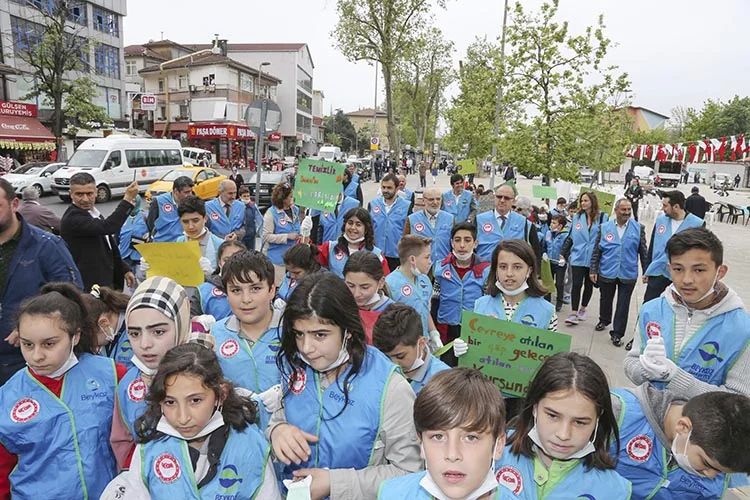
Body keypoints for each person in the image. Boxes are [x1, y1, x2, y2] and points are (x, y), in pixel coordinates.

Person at [267, 272, 421, 499]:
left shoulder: (390, 387)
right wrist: (277, 431)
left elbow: (409, 473)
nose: (306, 348)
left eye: (320, 335)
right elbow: (279, 418)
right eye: (299, 334)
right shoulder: (296, 366)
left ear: (347, 331)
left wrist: (335, 483)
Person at [104, 343, 280, 499]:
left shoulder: (250, 444)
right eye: (170, 402)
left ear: (221, 394)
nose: (183, 418)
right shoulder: (149, 449)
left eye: (195, 400)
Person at [0, 283, 126, 498]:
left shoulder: (112, 375)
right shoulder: (7, 396)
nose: (37, 356)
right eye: (27, 344)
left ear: (75, 336)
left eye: (49, 344)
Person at [624, 227, 750, 399]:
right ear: (669, 269)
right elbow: (631, 361)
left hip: (702, 417)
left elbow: (739, 400)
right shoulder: (651, 310)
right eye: (678, 269)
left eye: (699, 270)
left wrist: (675, 377)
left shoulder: (743, 330)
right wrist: (645, 369)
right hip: (649, 412)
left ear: (720, 272)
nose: (687, 279)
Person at [494, 352, 632, 499]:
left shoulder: (615, 491)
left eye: (580, 422)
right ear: (534, 407)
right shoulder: (491, 451)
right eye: (553, 416)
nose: (563, 434)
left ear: (597, 419)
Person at [378, 368, 511, 500]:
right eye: (438, 437)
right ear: (421, 443)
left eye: (471, 438)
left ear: (498, 445)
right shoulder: (392, 494)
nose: (452, 455)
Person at [0, 178, 82, 385]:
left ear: (14, 204)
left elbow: (71, 295)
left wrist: (28, 328)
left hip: (28, 360)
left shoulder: (47, 246)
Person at [611, 386, 750, 500]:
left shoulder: (725, 457)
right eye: (706, 463)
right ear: (683, 427)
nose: (710, 475)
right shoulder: (617, 414)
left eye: (720, 472)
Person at [110, 276, 191, 468]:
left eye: (158, 332)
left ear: (181, 326)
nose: (145, 344)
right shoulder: (128, 385)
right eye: (135, 334)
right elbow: (123, 442)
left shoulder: (205, 373)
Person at [210, 250, 282, 431]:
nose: (246, 299)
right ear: (226, 293)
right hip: (236, 433)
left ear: (272, 290)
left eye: (255, 288)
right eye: (236, 290)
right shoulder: (215, 334)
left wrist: (287, 391)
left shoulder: (293, 330)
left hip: (288, 434)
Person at [60, 172, 138, 292]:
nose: (85, 199)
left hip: (106, 283)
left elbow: (109, 247)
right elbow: (109, 227)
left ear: (96, 192)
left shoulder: (93, 213)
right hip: (90, 287)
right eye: (79, 194)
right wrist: (127, 200)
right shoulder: (73, 218)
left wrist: (124, 269)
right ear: (71, 194)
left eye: (89, 194)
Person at [589, 198, 649, 347]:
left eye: (629, 210)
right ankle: (604, 319)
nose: (626, 213)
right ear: (616, 210)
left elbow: (643, 252)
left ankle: (617, 333)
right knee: (605, 299)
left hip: (628, 273)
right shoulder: (604, 228)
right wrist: (593, 269)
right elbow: (597, 251)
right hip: (607, 271)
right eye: (623, 210)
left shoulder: (638, 228)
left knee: (623, 305)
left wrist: (646, 271)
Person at [433, 222, 491, 367]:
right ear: (452, 243)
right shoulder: (440, 267)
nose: (462, 245)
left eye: (467, 240)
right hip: (446, 327)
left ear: (475, 243)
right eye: (457, 240)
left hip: (473, 328)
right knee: (446, 368)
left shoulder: (485, 270)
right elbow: (435, 300)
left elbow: (488, 303)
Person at [473, 239, 557, 331]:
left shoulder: (547, 311)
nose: (509, 273)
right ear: (495, 270)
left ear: (529, 271)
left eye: (517, 267)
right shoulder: (481, 305)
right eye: (503, 267)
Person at [373, 302, 450, 395]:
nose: (393, 364)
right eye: (386, 357)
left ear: (421, 343)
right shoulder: (377, 369)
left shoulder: (444, 381)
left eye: (400, 356)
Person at [643, 191, 705, 303]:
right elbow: (652, 247)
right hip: (658, 271)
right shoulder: (661, 221)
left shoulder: (697, 224)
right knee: (649, 304)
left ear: (676, 206)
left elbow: (701, 254)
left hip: (681, 275)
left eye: (665, 206)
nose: (663, 209)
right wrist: (647, 269)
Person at [385, 235, 442, 350]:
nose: (430, 262)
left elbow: (425, 309)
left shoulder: (425, 280)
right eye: (427, 257)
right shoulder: (390, 284)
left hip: (423, 343)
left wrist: (434, 333)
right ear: (412, 259)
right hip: (403, 346)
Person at [561, 190, 608, 327]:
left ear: (592, 202)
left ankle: (583, 308)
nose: (583, 203)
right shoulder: (577, 217)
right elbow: (571, 236)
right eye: (582, 201)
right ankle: (574, 312)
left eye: (586, 200)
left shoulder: (602, 217)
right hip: (578, 256)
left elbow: (605, 237)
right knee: (576, 284)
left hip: (593, 257)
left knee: (589, 284)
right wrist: (563, 252)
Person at [475, 183, 541, 264]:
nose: (502, 200)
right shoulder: (479, 220)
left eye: (506, 198)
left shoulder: (525, 224)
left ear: (513, 201)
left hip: (513, 269)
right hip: (484, 269)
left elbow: (536, 254)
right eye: (499, 197)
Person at [317, 207, 389, 278]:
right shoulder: (329, 247)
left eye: (358, 224)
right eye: (350, 223)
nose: (353, 227)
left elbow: (385, 280)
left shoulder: (377, 255)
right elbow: (311, 261)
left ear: (366, 229)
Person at [167, 196, 224, 280]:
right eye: (185, 221)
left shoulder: (219, 245)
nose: (190, 226)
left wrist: (213, 274)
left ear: (205, 218)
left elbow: (227, 278)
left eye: (195, 220)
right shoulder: (179, 242)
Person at [344, 250, 394, 343]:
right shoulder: (340, 306)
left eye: (365, 287)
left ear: (381, 282)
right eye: (351, 286)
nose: (357, 294)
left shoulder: (394, 314)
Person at [190, 240, 246, 320]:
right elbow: (189, 318)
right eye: (226, 260)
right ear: (219, 262)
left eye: (238, 260)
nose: (232, 264)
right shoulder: (203, 291)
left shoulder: (254, 287)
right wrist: (198, 320)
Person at [81, 284, 133, 369]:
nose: (93, 346)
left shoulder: (133, 335)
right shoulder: (112, 332)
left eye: (92, 341)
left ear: (103, 323)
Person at [369, 173, 410, 272]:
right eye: (383, 187)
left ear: (397, 188)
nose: (385, 190)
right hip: (376, 253)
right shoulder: (373, 204)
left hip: (396, 255)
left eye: (389, 188)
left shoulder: (406, 206)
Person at [404, 186, 455, 264]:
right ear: (423, 201)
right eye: (431, 199)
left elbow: (454, 244)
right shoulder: (412, 219)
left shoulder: (450, 218)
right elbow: (405, 245)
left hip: (444, 265)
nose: (435, 202)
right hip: (420, 266)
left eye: (438, 199)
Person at [262, 182, 300, 285]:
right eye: (290, 196)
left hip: (293, 258)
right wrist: (287, 236)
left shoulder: (295, 210)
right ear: (283, 198)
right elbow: (266, 236)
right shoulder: (271, 213)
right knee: (278, 286)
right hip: (277, 259)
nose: (292, 198)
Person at [146, 175, 195, 242]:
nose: (190, 195)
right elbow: (150, 224)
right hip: (163, 244)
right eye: (186, 192)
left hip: (183, 244)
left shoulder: (193, 202)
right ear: (176, 191)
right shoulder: (159, 202)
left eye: (191, 191)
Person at [118, 196, 149, 282]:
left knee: (141, 276)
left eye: (134, 201)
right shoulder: (122, 216)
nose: (131, 204)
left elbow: (152, 232)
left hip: (140, 254)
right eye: (129, 201)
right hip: (125, 254)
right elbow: (116, 235)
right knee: (131, 281)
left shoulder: (145, 216)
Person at [543, 214, 569, 312]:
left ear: (560, 226)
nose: (551, 224)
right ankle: (547, 301)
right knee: (548, 282)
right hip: (549, 261)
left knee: (559, 283)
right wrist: (544, 253)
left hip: (559, 263)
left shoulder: (566, 235)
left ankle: (559, 301)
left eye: (554, 223)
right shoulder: (548, 233)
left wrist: (565, 259)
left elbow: (567, 249)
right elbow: (544, 245)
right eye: (551, 222)